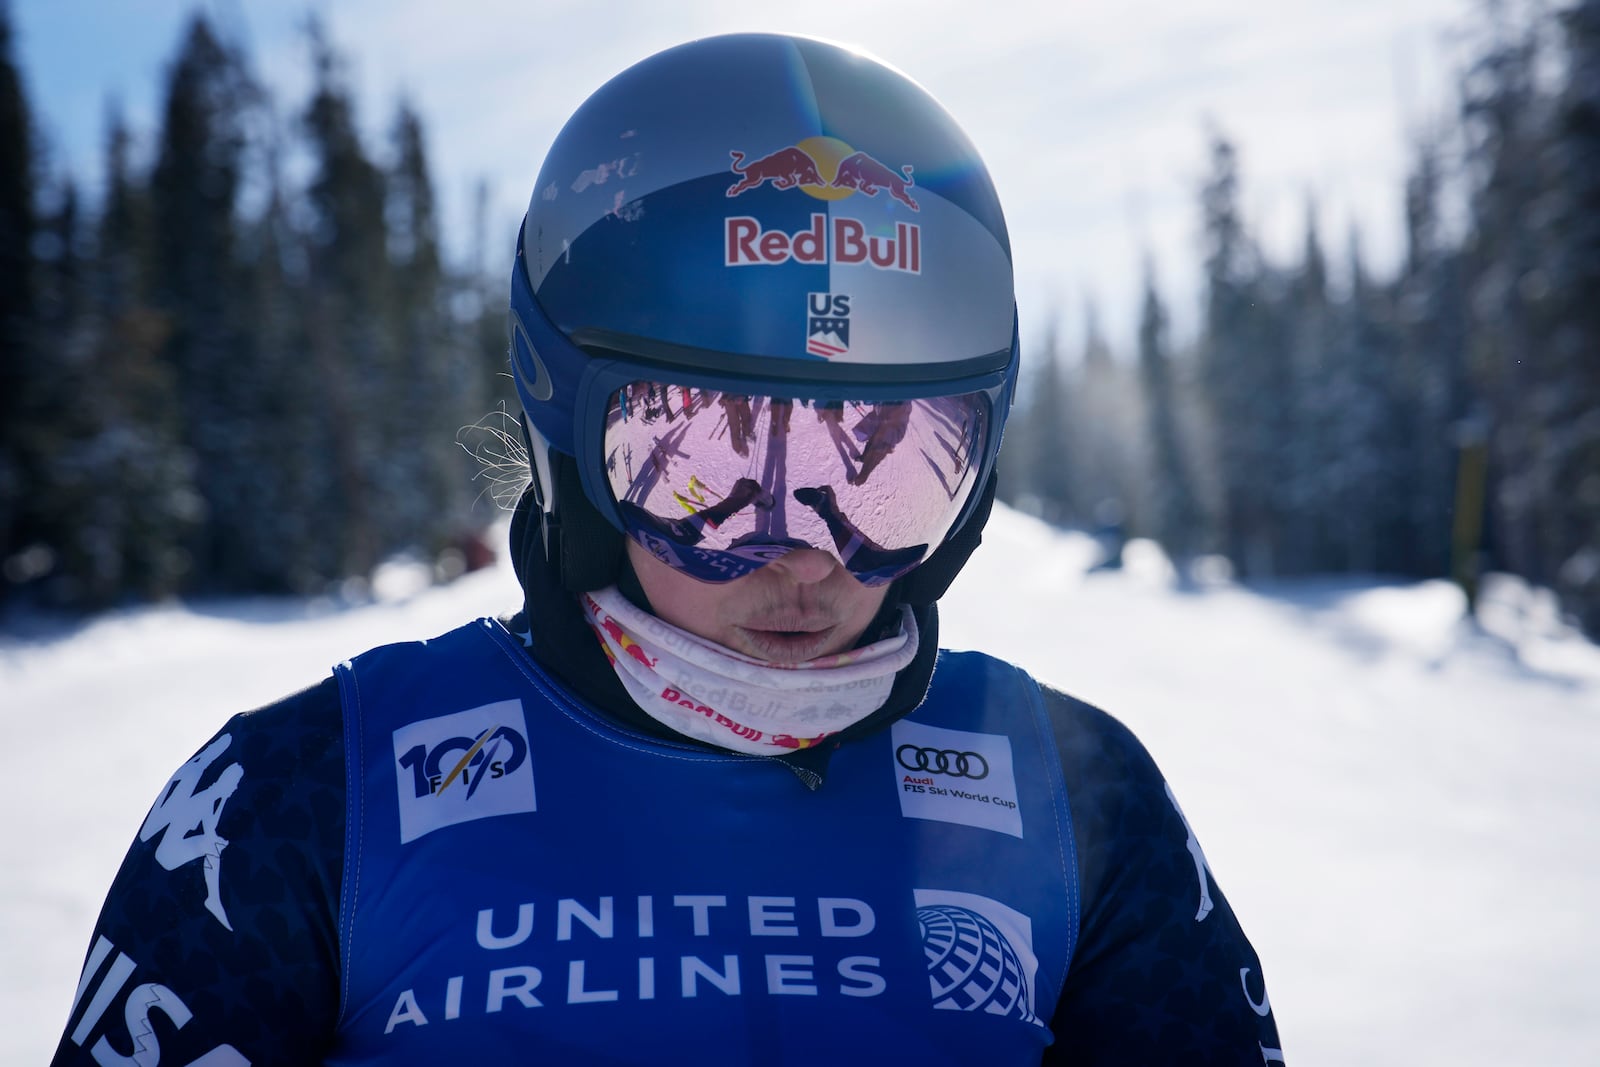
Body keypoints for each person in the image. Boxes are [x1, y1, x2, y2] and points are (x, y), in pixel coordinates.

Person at [52, 33, 1283, 1065]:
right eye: (705, 468)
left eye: (891, 471)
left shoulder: (1081, 799)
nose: (804, 557)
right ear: (570, 441)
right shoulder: (303, 798)